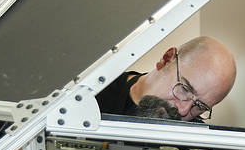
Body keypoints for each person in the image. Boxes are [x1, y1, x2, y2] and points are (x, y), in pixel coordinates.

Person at [97, 36, 236, 122]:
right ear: (167, 59)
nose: (183, 110)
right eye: (184, 89)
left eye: (200, 106)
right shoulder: (93, 95)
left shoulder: (192, 143)